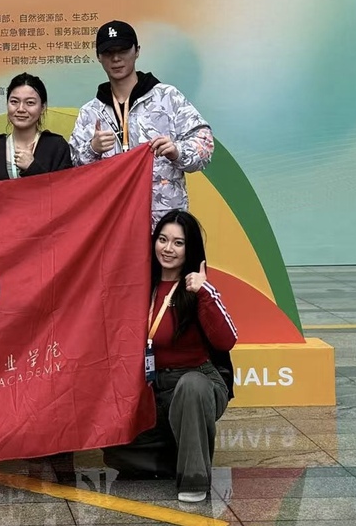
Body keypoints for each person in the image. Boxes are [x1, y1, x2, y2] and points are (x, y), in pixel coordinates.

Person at [103, 210, 237, 503]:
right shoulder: (141, 285)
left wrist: (205, 292)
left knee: (191, 387)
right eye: (162, 239)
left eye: (178, 243)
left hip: (195, 382)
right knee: (118, 455)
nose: (168, 248)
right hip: (151, 386)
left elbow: (227, 340)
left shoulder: (197, 288)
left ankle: (193, 479)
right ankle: (177, 456)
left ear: (190, 249)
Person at [68, 21, 213, 226]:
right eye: (108, 52)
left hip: (163, 225)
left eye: (123, 50)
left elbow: (204, 144)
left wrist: (177, 151)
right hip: (112, 224)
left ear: (137, 51)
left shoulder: (167, 97)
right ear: (98, 57)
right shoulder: (90, 113)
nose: (116, 58)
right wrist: (92, 149)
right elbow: (71, 170)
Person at [0, 73, 72, 181]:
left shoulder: (57, 147)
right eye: (14, 102)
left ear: (43, 107)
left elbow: (65, 189)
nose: (21, 109)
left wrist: (32, 167)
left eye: (30, 103)